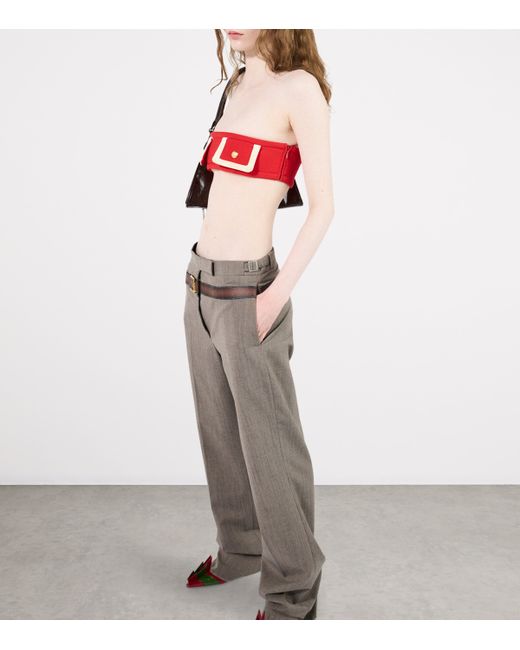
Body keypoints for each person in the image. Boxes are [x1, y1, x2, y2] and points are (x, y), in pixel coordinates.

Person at [183, 29, 334, 620]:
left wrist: (275, 296)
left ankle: (294, 587)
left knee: (270, 444)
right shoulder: (238, 83)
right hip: (199, 283)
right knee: (219, 433)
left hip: (251, 291)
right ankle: (242, 548)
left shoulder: (300, 88)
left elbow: (324, 207)